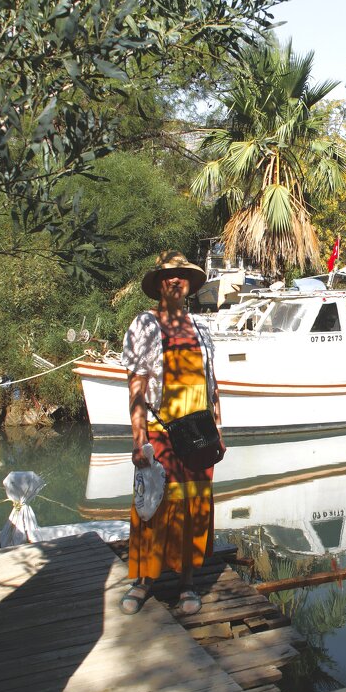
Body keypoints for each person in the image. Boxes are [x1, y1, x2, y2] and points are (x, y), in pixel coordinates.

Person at [119, 250, 222, 615]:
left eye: (182, 276)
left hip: (198, 435)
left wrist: (219, 428)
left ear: (191, 284)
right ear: (160, 285)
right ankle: (143, 582)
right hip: (161, 432)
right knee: (152, 505)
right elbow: (137, 385)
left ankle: (188, 584)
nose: (176, 281)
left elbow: (212, 385)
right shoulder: (145, 325)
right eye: (169, 276)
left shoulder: (201, 328)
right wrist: (138, 439)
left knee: (194, 506)